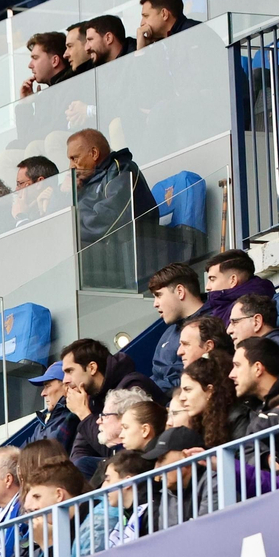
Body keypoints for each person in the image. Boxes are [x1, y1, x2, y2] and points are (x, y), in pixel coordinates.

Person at [69, 128, 161, 288]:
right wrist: (72, 196)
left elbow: (105, 222)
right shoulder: (85, 182)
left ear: (94, 153)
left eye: (74, 158)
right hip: (106, 257)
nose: (71, 166)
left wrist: (69, 233)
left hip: (135, 260)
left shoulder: (121, 169)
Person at [61, 336, 164, 465]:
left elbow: (123, 451)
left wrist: (83, 413)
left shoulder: (133, 386)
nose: (65, 380)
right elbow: (80, 451)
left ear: (92, 368)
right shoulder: (91, 399)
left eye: (69, 371)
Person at [147, 262, 204, 391]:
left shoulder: (211, 326)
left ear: (180, 291)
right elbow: (156, 376)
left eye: (158, 295)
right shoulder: (168, 333)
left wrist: (149, 391)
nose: (155, 304)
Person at [29, 361, 79, 452]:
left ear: (66, 385)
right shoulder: (43, 422)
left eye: (47, 386)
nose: (43, 393)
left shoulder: (73, 416)